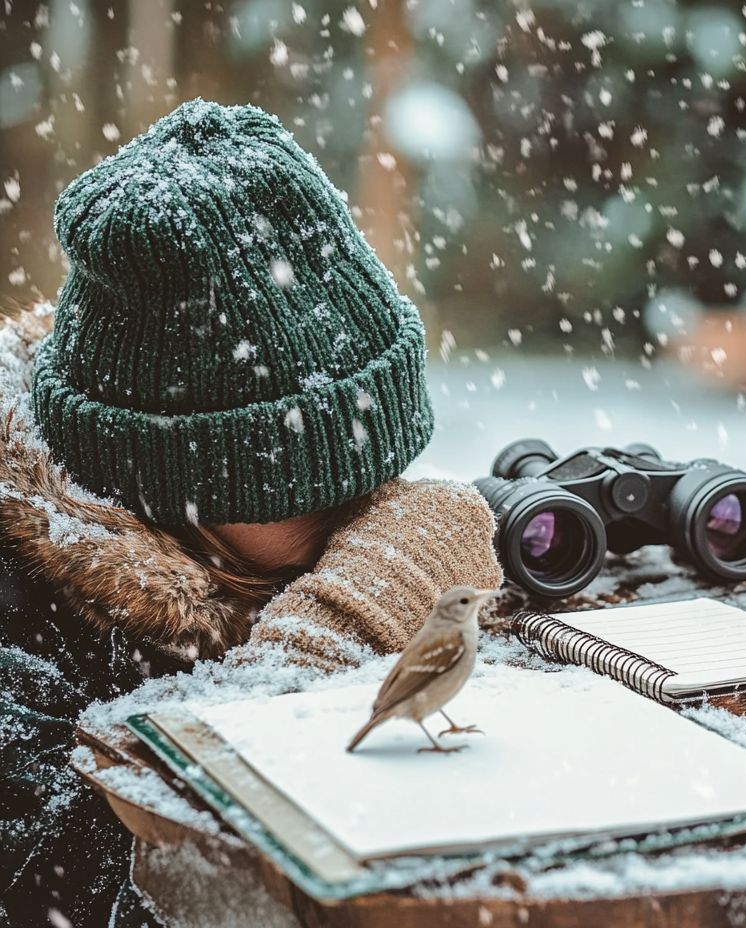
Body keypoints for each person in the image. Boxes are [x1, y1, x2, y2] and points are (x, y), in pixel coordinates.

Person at [0, 100, 502, 926]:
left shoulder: (234, 538)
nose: (367, 526)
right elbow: (148, 898)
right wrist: (316, 650)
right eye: (320, 495)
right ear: (159, 494)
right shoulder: (21, 638)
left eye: (383, 476)